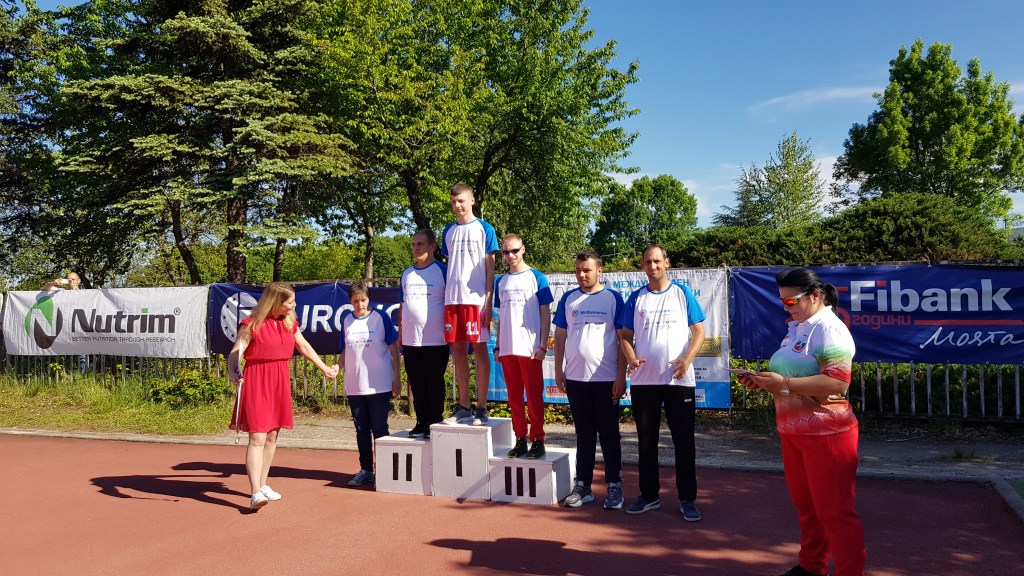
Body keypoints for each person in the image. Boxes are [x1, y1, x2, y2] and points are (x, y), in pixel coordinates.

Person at [742, 268, 866, 576]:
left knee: (835, 514)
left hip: (828, 433)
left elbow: (838, 383)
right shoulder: (797, 327)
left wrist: (783, 384)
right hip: (794, 432)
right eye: (783, 302)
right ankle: (811, 567)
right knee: (808, 509)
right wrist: (765, 382)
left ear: (815, 296)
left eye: (792, 301)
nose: (787, 307)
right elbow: (791, 377)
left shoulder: (829, 328)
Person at [228, 282, 339, 511]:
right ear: (275, 302)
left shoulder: (290, 323)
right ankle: (255, 492)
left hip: (279, 379)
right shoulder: (252, 324)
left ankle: (263, 483)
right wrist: (233, 370)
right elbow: (236, 351)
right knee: (257, 437)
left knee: (272, 436)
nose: (294, 305)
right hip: (257, 379)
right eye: (290, 302)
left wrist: (324, 368)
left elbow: (304, 347)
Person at [618, 245, 706, 521]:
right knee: (646, 442)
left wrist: (687, 360)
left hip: (678, 381)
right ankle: (649, 496)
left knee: (684, 442)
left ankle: (688, 499)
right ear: (642, 265)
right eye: (648, 262)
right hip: (644, 382)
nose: (652, 266)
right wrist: (631, 358)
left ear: (666, 262)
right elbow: (624, 336)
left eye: (657, 261)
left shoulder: (682, 293)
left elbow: (699, 332)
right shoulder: (636, 298)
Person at [553, 250, 626, 508]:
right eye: (578, 270)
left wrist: (621, 376)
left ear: (599, 271)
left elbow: (623, 340)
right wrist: (558, 370)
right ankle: (583, 485)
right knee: (583, 434)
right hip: (575, 379)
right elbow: (560, 337)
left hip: (606, 380)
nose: (581, 275)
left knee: (609, 434)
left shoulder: (613, 298)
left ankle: (614, 486)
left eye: (587, 270)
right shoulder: (568, 299)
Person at [441, 183, 499, 425]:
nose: (457, 206)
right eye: (454, 202)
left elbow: (490, 268)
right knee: (458, 350)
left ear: (472, 200)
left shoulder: (485, 229)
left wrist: (488, 300)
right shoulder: (448, 231)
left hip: (476, 301)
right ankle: (464, 406)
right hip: (452, 299)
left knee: (480, 349)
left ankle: (482, 407)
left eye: (461, 201)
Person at [494, 234, 553, 459]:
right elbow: (501, 317)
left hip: (530, 348)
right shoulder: (501, 282)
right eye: (506, 252)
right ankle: (520, 439)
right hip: (508, 349)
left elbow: (545, 313)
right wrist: (498, 346)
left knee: (534, 396)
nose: (510, 256)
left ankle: (538, 440)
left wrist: (543, 345)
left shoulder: (537, 277)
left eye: (514, 251)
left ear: (523, 249)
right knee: (514, 397)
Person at [338, 281, 402, 486]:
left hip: (379, 384)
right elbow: (345, 350)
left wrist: (397, 377)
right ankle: (366, 470)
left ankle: (385, 471)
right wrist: (337, 367)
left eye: (363, 300)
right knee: (361, 429)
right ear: (350, 301)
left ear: (369, 299)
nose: (360, 305)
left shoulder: (380, 318)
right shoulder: (347, 320)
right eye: (356, 301)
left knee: (380, 428)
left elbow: (394, 349)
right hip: (355, 386)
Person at [399, 229, 449, 440]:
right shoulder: (406, 274)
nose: (415, 248)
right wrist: (401, 333)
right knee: (416, 382)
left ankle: (434, 421)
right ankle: (421, 421)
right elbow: (403, 304)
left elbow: (451, 303)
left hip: (436, 339)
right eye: (413, 244)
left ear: (432, 246)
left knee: (433, 381)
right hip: (411, 339)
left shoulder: (443, 271)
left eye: (420, 244)